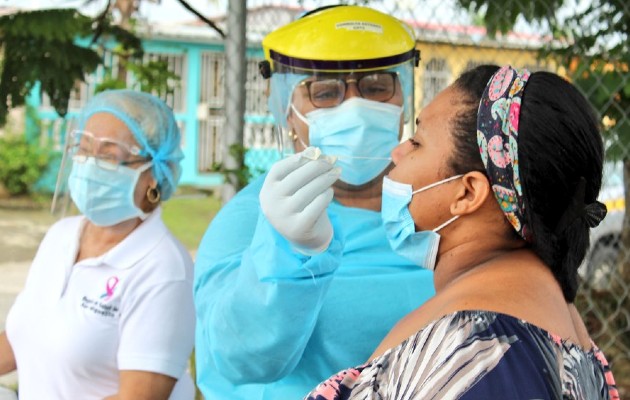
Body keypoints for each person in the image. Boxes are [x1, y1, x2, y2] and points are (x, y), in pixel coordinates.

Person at [305, 65, 620, 399]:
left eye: (416, 142)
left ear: (468, 193)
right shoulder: (562, 331)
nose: (396, 153)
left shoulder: (474, 351)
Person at [193, 5, 436, 399]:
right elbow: (240, 360)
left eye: (376, 87)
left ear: (402, 102)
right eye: (326, 92)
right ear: (289, 115)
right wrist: (291, 256)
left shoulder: (437, 205)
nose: (355, 106)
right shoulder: (249, 218)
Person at [0, 90, 196, 400]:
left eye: (107, 156)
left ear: (153, 175)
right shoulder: (61, 237)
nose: (90, 166)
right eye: (84, 149)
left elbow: (138, 396)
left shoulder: (163, 269)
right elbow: (24, 336)